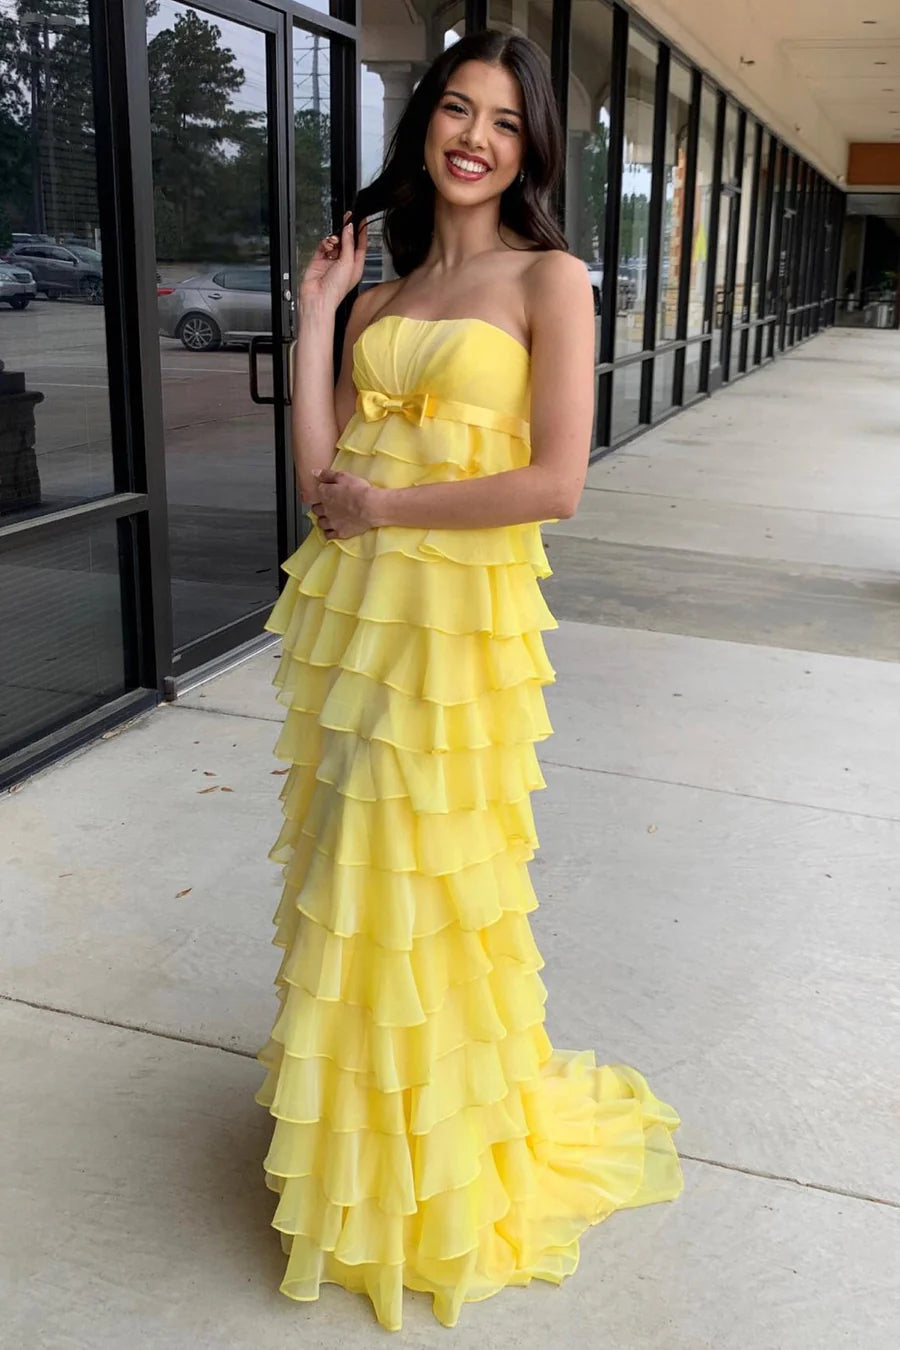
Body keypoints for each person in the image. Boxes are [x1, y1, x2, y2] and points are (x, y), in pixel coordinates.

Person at [254, 29, 682, 1332]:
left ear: (529, 148)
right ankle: (359, 1171)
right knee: (348, 887)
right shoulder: (380, 301)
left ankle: (432, 1177)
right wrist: (321, 314)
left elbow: (558, 482)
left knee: (421, 886)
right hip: (356, 626)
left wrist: (389, 505)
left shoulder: (550, 281)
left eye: (502, 119)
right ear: (426, 124)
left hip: (457, 639)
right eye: (456, 107)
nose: (475, 136)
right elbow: (322, 485)